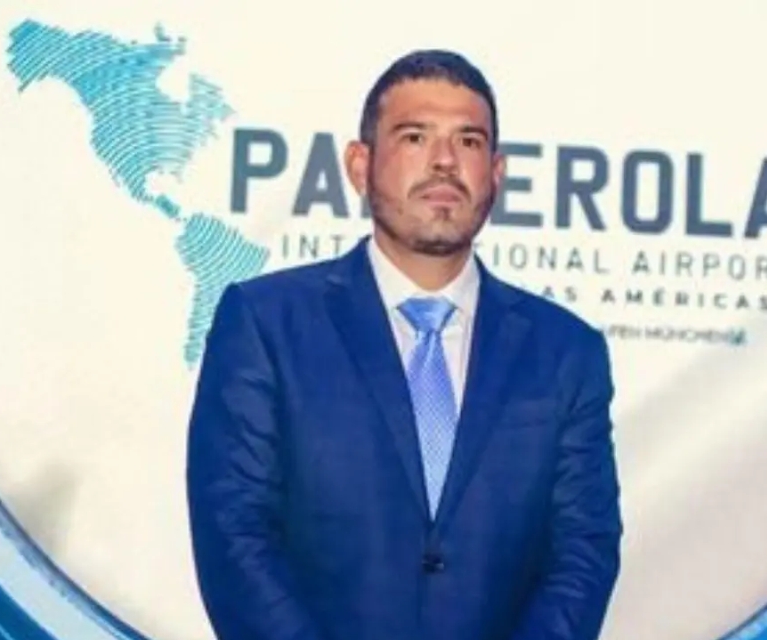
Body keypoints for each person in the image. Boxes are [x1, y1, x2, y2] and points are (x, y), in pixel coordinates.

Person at [185, 49, 623, 640]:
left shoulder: (566, 352)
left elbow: (583, 552)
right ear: (359, 165)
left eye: (469, 141)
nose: (445, 161)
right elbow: (234, 534)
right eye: (415, 137)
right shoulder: (267, 324)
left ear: (496, 173)